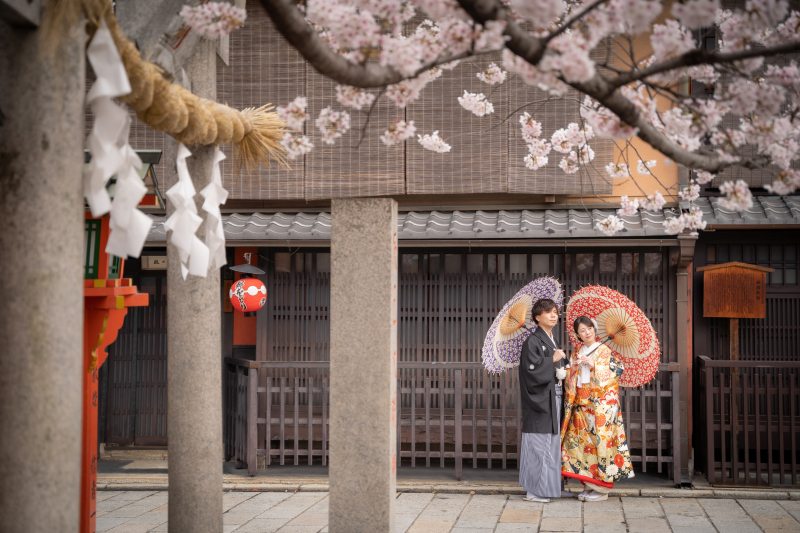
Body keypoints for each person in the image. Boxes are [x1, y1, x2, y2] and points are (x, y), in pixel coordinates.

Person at [560, 316, 634, 502]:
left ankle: (602, 490)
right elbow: (571, 378)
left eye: (590, 328)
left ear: (595, 329)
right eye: (582, 330)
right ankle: (589, 485)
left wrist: (595, 365)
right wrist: (574, 368)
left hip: (599, 406)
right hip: (581, 404)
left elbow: (617, 371)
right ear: (577, 335)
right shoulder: (577, 351)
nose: (587, 332)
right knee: (582, 445)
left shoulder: (603, 350)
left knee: (599, 443)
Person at [518, 298, 571, 503]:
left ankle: (550, 488)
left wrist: (567, 367)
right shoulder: (532, 341)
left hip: (553, 398)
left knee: (551, 445)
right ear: (537, 317)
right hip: (540, 402)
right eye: (548, 312)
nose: (553, 315)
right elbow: (530, 372)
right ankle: (534, 491)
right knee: (539, 445)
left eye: (556, 312)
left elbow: (558, 368)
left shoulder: (549, 339)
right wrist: (553, 360)